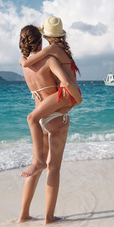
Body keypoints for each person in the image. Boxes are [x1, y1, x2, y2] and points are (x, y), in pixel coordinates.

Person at [16, 24, 75, 224]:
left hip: (40, 118)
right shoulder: (49, 60)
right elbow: (65, 82)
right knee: (53, 168)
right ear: (40, 40)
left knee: (37, 165)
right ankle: (49, 218)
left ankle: (23, 215)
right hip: (56, 117)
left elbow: (26, 63)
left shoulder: (25, 66)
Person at [18, 17, 82, 180]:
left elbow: (27, 64)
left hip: (66, 93)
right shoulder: (61, 50)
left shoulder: (51, 50)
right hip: (70, 93)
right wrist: (78, 99)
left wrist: (22, 59)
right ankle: (38, 161)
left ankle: (38, 161)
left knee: (32, 117)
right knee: (34, 118)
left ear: (46, 36)